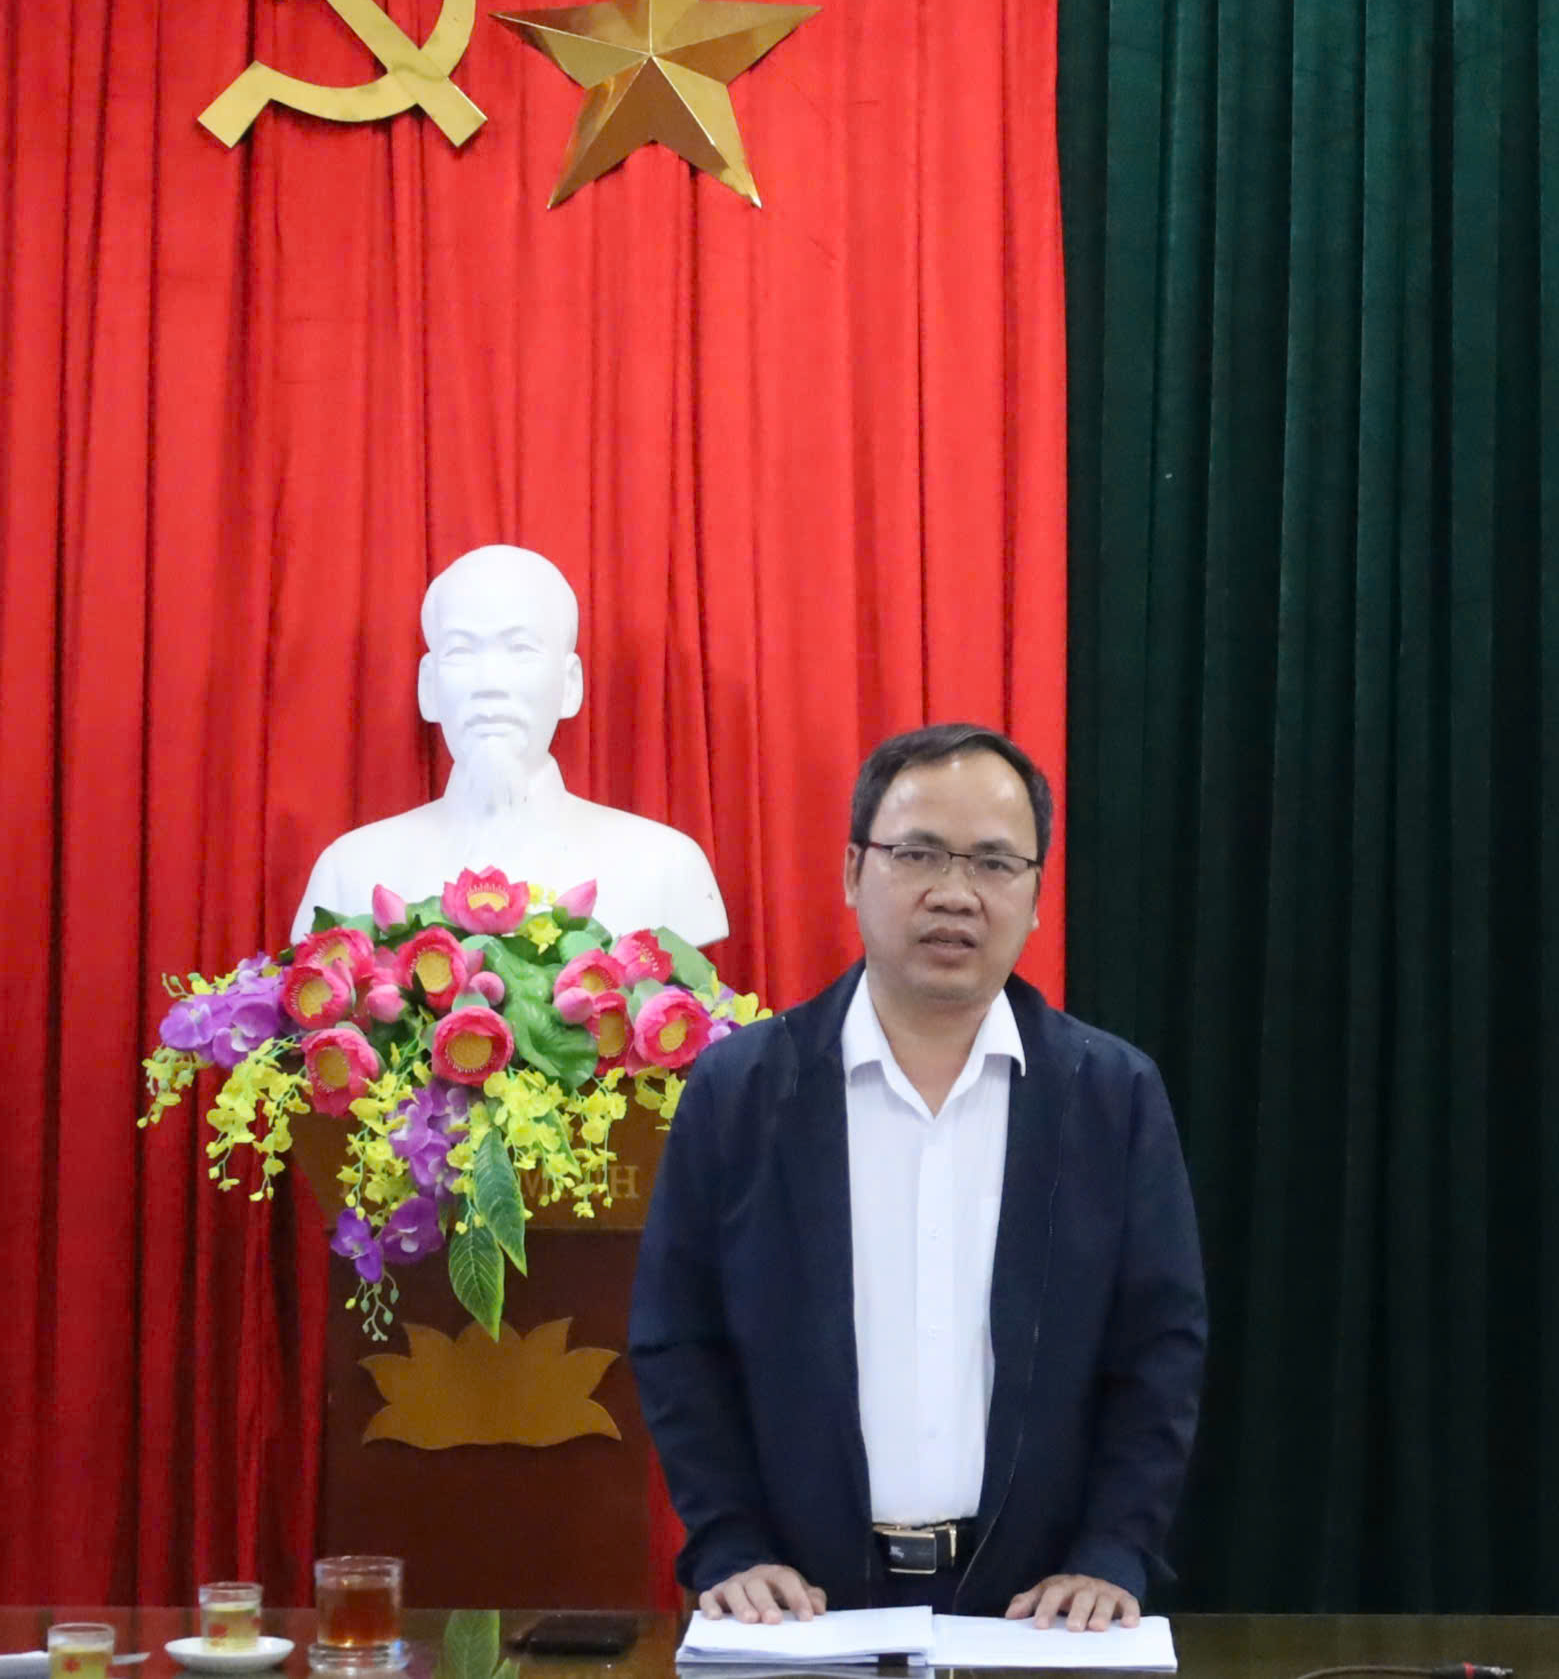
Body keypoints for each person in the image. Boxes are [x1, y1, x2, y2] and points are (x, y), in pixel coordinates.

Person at [629, 723, 1205, 1629]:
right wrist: (730, 1542)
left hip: (1038, 1617)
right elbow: (677, 1337)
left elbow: (1158, 1348)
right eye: (918, 853)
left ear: (1036, 895)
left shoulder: (1111, 1095)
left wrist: (1111, 1551)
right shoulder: (740, 1091)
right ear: (852, 870)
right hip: (799, 1611)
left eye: (994, 863)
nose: (953, 893)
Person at [292, 545, 727, 945]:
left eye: (521, 649)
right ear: (428, 687)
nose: (489, 683)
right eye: (461, 651)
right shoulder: (349, 874)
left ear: (570, 685)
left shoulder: (665, 868)